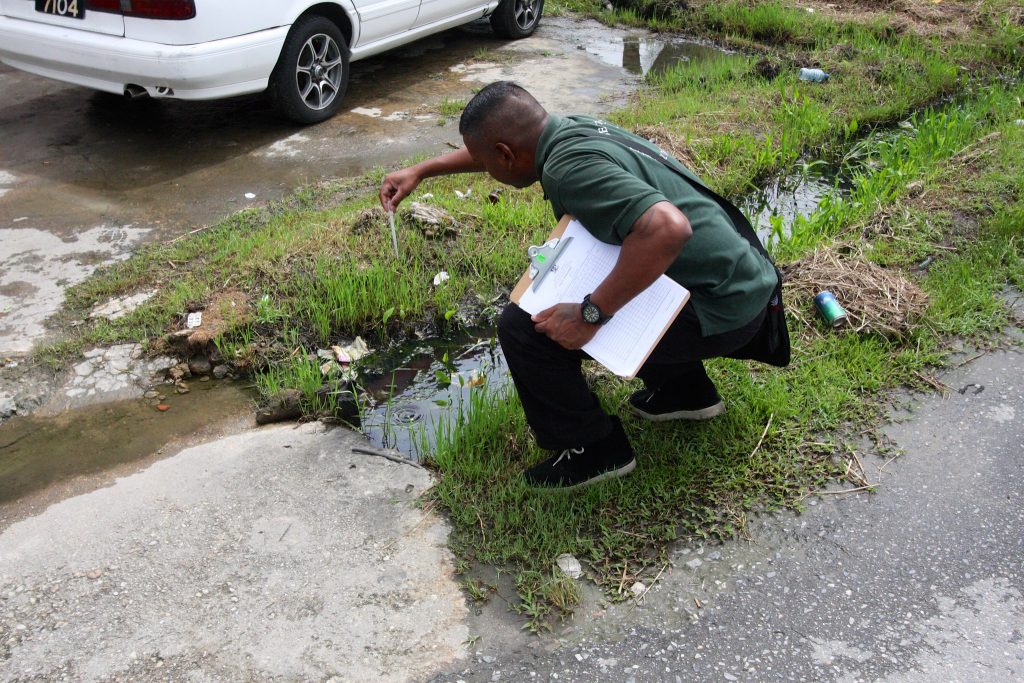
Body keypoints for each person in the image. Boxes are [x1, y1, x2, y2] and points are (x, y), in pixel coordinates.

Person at [380, 81, 782, 490]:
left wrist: (591, 314)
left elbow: (667, 229)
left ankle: (595, 451)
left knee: (524, 327)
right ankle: (685, 391)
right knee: (610, 266)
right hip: (741, 284)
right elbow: (492, 148)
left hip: (723, 309)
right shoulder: (567, 129)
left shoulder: (567, 170)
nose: (486, 168)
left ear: (505, 155)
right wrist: (422, 170)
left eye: (486, 163)